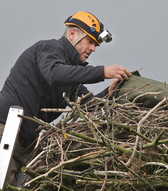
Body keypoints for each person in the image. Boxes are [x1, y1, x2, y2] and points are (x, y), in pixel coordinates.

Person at [0, 11, 131, 187]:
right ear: (72, 34)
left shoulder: (70, 77)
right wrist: (102, 72)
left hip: (22, 147)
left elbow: (87, 105)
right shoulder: (48, 49)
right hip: (5, 131)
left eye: (96, 45)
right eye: (90, 41)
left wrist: (110, 91)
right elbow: (54, 74)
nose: (93, 48)